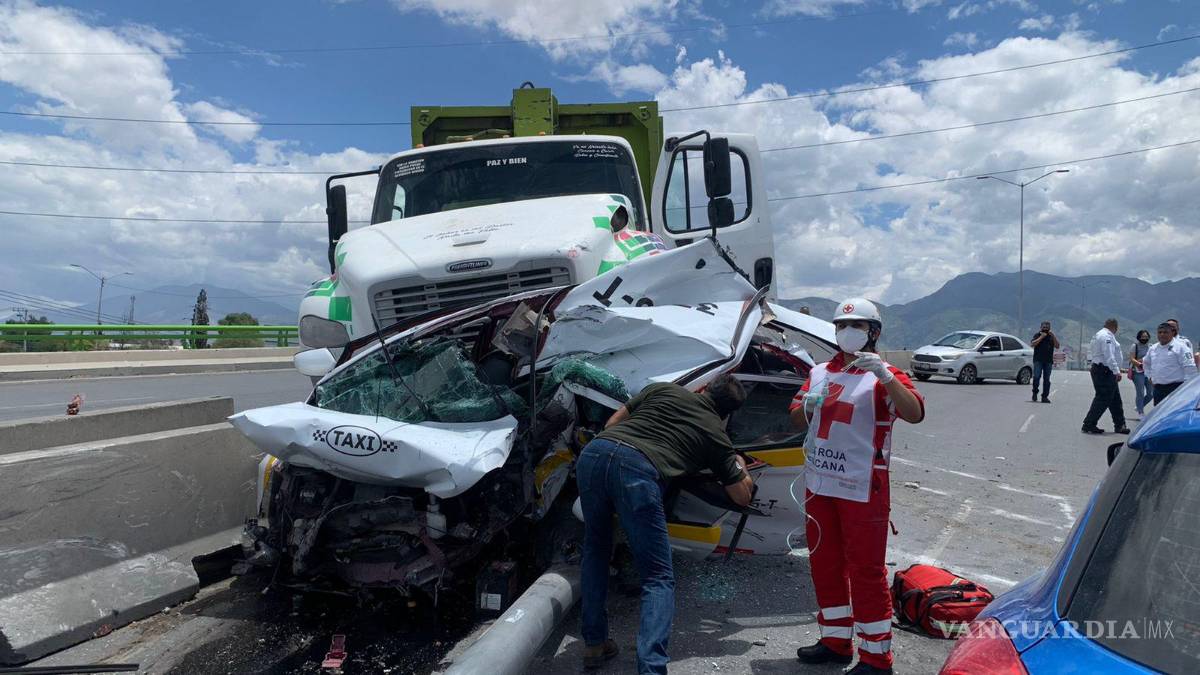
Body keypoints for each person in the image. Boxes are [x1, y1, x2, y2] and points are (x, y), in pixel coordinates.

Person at [576, 374, 754, 674]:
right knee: (658, 577)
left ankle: (594, 643)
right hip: (638, 474)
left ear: (705, 388)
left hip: (594, 454)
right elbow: (741, 496)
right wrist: (739, 462)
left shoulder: (663, 389)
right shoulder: (715, 434)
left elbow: (611, 424)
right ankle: (651, 667)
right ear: (727, 413)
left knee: (596, 551)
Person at [788, 298, 925, 675]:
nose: (846, 332)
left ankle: (877, 658)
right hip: (820, 484)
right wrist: (808, 406)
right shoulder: (818, 372)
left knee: (866, 571)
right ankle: (835, 642)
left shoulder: (886, 375)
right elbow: (796, 419)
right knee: (824, 564)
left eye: (857, 326)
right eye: (841, 326)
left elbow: (914, 412)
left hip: (863, 487)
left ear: (874, 332)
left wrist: (886, 377)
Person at [1082, 318, 1129, 435]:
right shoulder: (1106, 336)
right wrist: (1116, 371)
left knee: (1115, 400)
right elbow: (1109, 355)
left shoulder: (1099, 334)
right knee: (1103, 398)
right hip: (1105, 371)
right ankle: (1089, 424)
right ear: (1115, 327)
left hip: (1104, 370)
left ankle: (1120, 425)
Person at [1142, 322, 1198, 405]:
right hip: (1158, 389)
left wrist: (1186, 388)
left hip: (1176, 388)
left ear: (1172, 333)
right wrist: (1149, 376)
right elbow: (1146, 363)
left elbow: (1190, 368)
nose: (1162, 334)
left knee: (1175, 412)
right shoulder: (1153, 348)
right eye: (1160, 332)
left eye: (1165, 332)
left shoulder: (1181, 347)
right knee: (1159, 412)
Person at [1029, 320, 1059, 403]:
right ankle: (1035, 392)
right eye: (1044, 327)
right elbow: (1032, 344)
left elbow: (1057, 346)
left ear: (1050, 328)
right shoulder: (1037, 335)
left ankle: (1045, 397)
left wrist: (1053, 336)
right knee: (1036, 377)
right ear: (1041, 327)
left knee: (1047, 379)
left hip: (1048, 361)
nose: (1045, 328)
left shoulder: (1051, 337)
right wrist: (1041, 337)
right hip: (1038, 360)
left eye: (1047, 327)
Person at [1129, 329, 1152, 416]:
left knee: (1151, 394)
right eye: (1142, 337)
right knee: (1140, 393)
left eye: (1146, 337)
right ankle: (1140, 412)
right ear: (1139, 337)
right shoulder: (1135, 346)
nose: (1144, 338)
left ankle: (1139, 406)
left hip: (1148, 372)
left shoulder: (1151, 347)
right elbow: (1132, 358)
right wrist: (1139, 364)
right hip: (1138, 372)